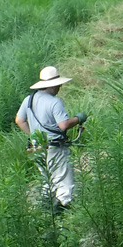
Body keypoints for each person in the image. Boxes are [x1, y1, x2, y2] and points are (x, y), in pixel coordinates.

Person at [15, 65, 87, 209]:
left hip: (38, 147)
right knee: (64, 183)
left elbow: (19, 120)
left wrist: (34, 135)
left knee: (47, 180)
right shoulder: (55, 102)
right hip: (55, 148)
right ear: (54, 86)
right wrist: (78, 119)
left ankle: (47, 211)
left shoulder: (29, 100)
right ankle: (63, 213)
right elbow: (64, 125)